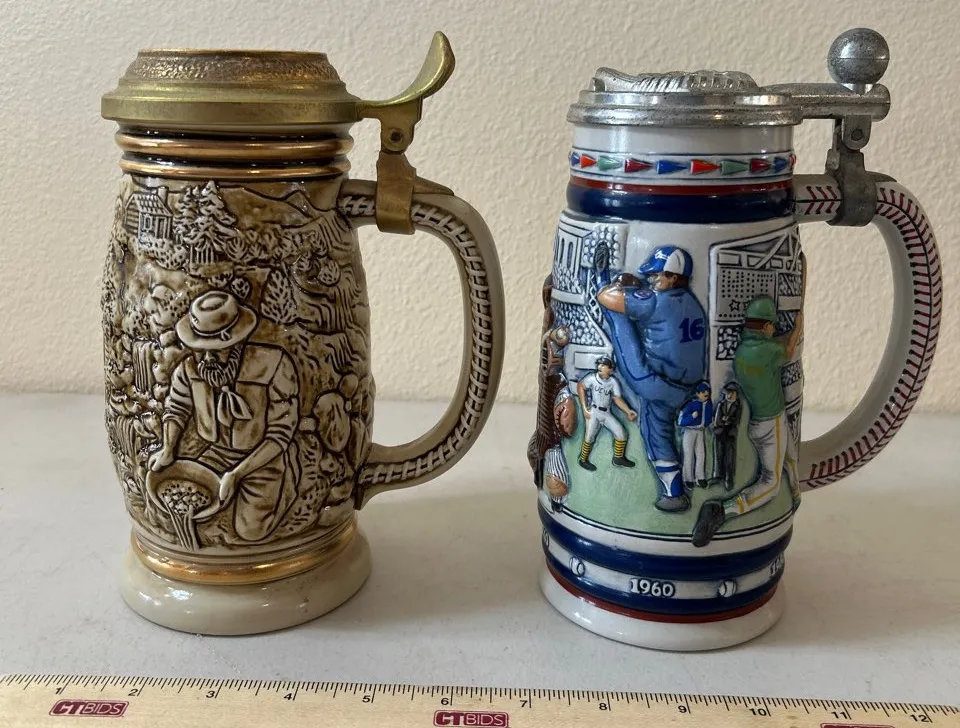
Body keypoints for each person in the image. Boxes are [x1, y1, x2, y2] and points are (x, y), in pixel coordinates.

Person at [148, 290, 301, 542]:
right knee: (195, 512)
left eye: (217, 350)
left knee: (251, 531)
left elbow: (280, 434)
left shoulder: (274, 365)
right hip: (217, 453)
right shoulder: (189, 369)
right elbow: (176, 408)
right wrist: (168, 449)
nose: (207, 358)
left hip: (263, 458)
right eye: (201, 349)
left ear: (237, 342)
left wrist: (237, 474)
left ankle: (286, 488)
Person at [595, 245, 707, 512]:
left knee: (655, 433)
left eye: (658, 275)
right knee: (663, 430)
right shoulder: (692, 303)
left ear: (673, 277)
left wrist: (610, 284)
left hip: (655, 383)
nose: (653, 279)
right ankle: (678, 488)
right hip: (687, 386)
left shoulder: (657, 301)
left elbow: (607, 298)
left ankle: (673, 494)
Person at [693, 297, 803, 547]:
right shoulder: (768, 350)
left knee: (789, 456)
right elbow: (788, 351)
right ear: (765, 326)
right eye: (771, 325)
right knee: (771, 483)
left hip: (759, 423)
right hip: (771, 421)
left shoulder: (743, 351)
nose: (774, 329)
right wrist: (798, 326)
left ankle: (796, 494)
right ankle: (724, 510)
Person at [576, 356, 637, 471]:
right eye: (599, 364)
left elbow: (617, 399)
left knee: (621, 433)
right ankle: (583, 460)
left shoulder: (613, 382)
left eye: (603, 365)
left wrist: (628, 411)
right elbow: (580, 386)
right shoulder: (592, 378)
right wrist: (584, 408)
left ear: (611, 369)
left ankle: (618, 458)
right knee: (589, 437)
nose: (599, 367)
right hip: (594, 412)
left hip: (606, 413)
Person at [677, 381, 713, 490]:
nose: (706, 393)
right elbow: (681, 421)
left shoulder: (708, 405)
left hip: (700, 431)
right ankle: (688, 479)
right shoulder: (691, 404)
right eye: (703, 392)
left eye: (707, 391)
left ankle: (700, 477)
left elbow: (709, 418)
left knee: (701, 454)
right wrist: (692, 417)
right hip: (690, 431)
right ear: (697, 393)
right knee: (689, 455)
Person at [711, 382, 742, 491]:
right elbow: (717, 421)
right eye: (728, 393)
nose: (729, 395)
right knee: (718, 453)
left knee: (729, 456)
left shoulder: (737, 406)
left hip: (730, 434)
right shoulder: (721, 404)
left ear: (736, 394)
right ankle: (718, 475)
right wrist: (725, 421)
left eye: (732, 393)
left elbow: (736, 420)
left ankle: (729, 478)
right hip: (719, 433)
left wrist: (727, 420)